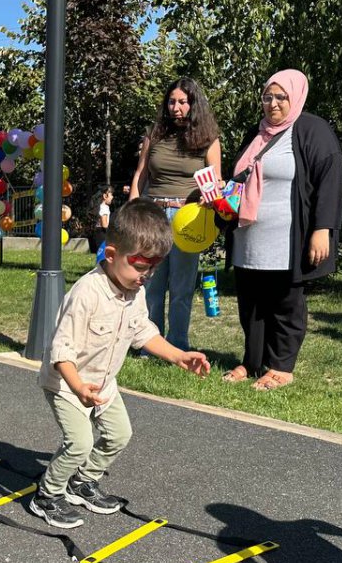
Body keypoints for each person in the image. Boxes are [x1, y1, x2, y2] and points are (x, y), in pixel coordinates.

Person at [30, 199, 211, 529]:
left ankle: (82, 483)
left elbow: (142, 331)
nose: (146, 276)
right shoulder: (88, 293)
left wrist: (178, 355)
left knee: (119, 435)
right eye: (141, 267)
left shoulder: (135, 291)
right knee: (80, 442)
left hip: (104, 383)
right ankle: (47, 495)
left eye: (153, 269)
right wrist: (78, 387)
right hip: (67, 384)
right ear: (111, 256)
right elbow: (61, 350)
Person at [223, 69, 342, 391]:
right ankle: (252, 362)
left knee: (285, 305)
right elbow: (240, 179)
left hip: (287, 238)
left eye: (281, 97)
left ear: (296, 96)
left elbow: (329, 181)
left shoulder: (311, 129)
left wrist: (323, 228)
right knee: (251, 305)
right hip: (249, 238)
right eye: (267, 97)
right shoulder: (257, 133)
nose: (272, 104)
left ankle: (281, 367)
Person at [129, 78, 222, 351]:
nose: (176, 107)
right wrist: (133, 211)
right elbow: (140, 175)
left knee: (181, 287)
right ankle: (150, 345)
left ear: (193, 104)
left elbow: (216, 181)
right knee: (151, 284)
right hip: (153, 216)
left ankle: (178, 344)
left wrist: (211, 197)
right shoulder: (154, 134)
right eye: (171, 101)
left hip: (188, 218)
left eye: (182, 102)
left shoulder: (208, 138)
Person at [88, 186, 113, 256]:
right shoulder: (104, 207)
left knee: (100, 253)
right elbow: (104, 224)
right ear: (105, 196)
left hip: (98, 232)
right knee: (103, 255)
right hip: (103, 233)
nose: (112, 197)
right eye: (111, 194)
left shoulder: (99, 207)